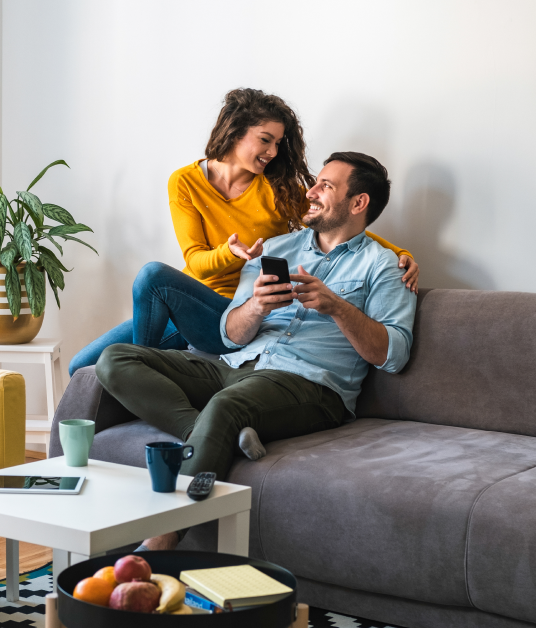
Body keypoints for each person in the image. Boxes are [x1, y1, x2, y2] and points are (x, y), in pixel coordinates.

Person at [95, 151, 418, 551]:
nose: (311, 191)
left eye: (325, 186)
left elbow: (395, 354)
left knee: (227, 405)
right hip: (237, 366)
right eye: (315, 181)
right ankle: (215, 434)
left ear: (359, 203)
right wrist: (256, 306)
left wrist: (336, 306)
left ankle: (160, 542)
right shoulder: (276, 250)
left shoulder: (383, 266)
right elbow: (229, 334)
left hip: (311, 385)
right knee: (115, 359)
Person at [69, 89, 419, 376]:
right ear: (235, 131)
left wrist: (400, 252)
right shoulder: (185, 182)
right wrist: (229, 253)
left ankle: (136, 375)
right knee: (81, 366)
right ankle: (137, 373)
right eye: (265, 140)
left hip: (240, 313)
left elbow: (339, 220)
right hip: (198, 305)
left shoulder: (277, 188)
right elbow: (196, 261)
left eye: (279, 143)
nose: (272, 152)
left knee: (128, 326)